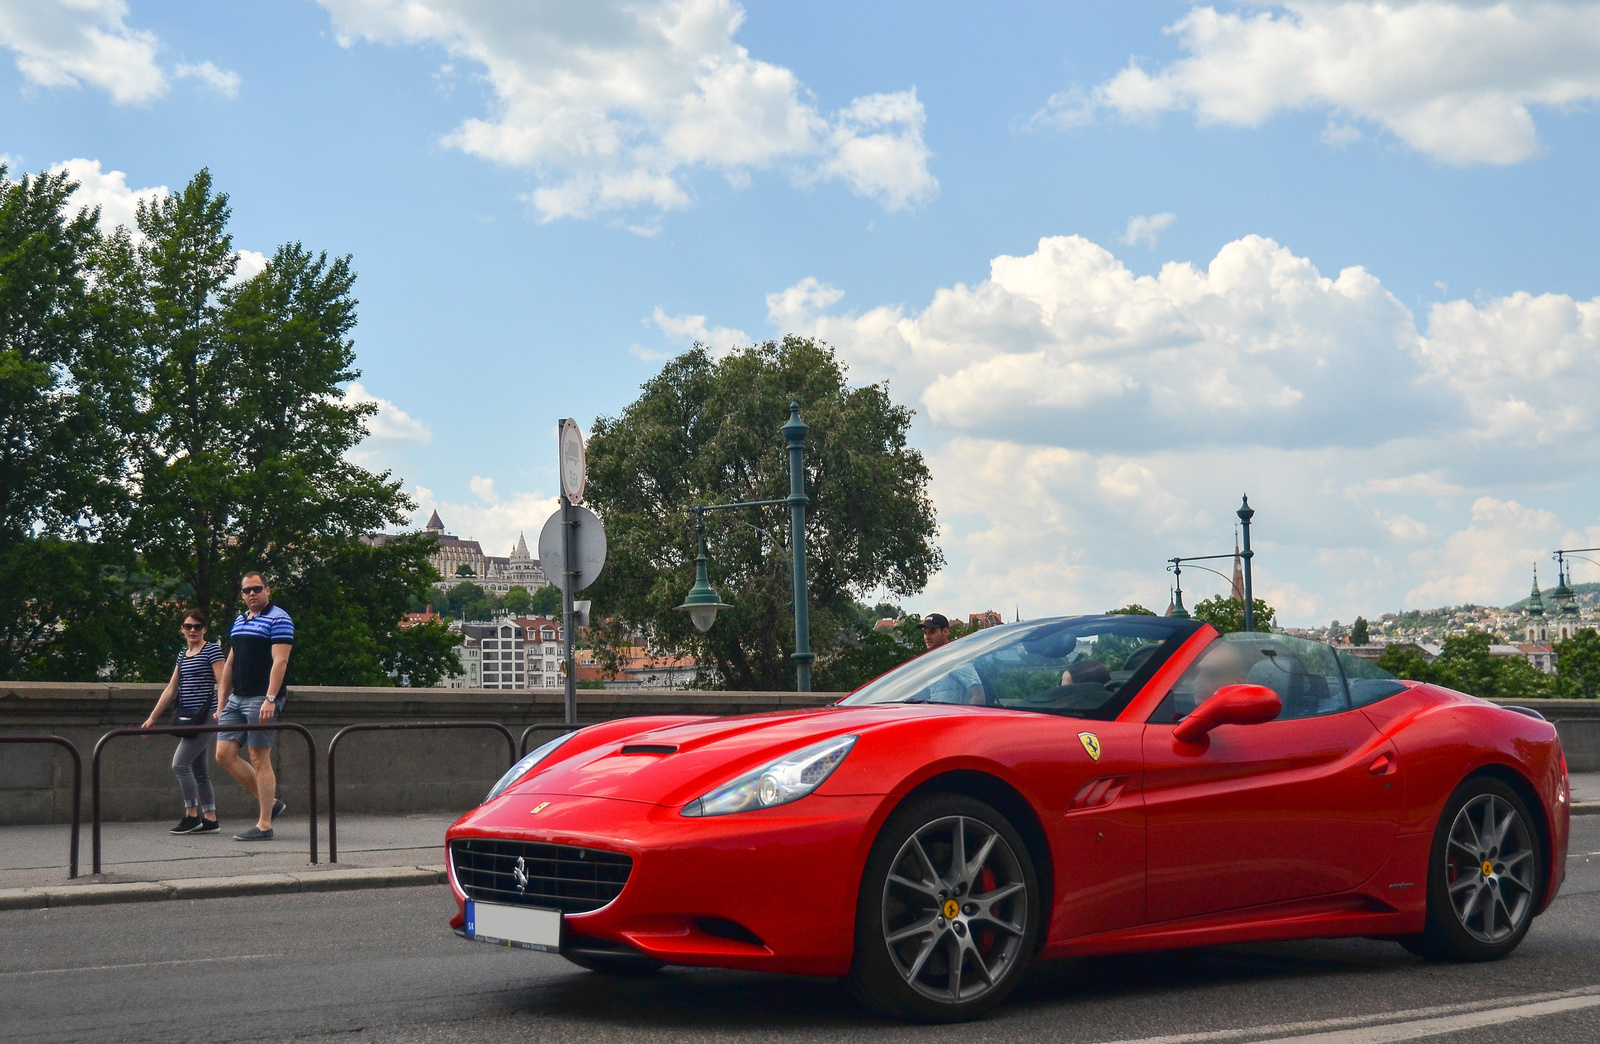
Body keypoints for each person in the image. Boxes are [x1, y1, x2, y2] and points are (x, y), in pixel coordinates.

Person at [216, 571, 293, 842]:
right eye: (247, 590)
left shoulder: (279, 618)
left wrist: (270, 698)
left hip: (261, 697)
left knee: (259, 757)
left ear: (267, 590)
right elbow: (230, 662)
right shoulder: (240, 620)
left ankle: (264, 824)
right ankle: (270, 803)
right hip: (237, 697)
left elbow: (280, 661)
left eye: (256, 589)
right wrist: (222, 699)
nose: (251, 594)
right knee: (223, 754)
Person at [142, 609, 225, 834]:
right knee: (199, 770)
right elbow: (171, 688)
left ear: (205, 629)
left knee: (179, 764)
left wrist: (222, 709)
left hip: (206, 715)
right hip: (187, 715)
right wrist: (152, 717)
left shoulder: (212, 650)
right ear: (182, 629)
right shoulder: (182, 655)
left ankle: (191, 815)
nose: (192, 630)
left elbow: (223, 682)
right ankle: (210, 818)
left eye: (197, 627)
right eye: (188, 626)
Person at [919, 614, 986, 704]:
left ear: (945, 631)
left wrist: (966, 717)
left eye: (932, 632)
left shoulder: (955, 659)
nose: (927, 637)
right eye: (925, 633)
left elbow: (978, 695)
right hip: (936, 715)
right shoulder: (931, 663)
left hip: (953, 716)